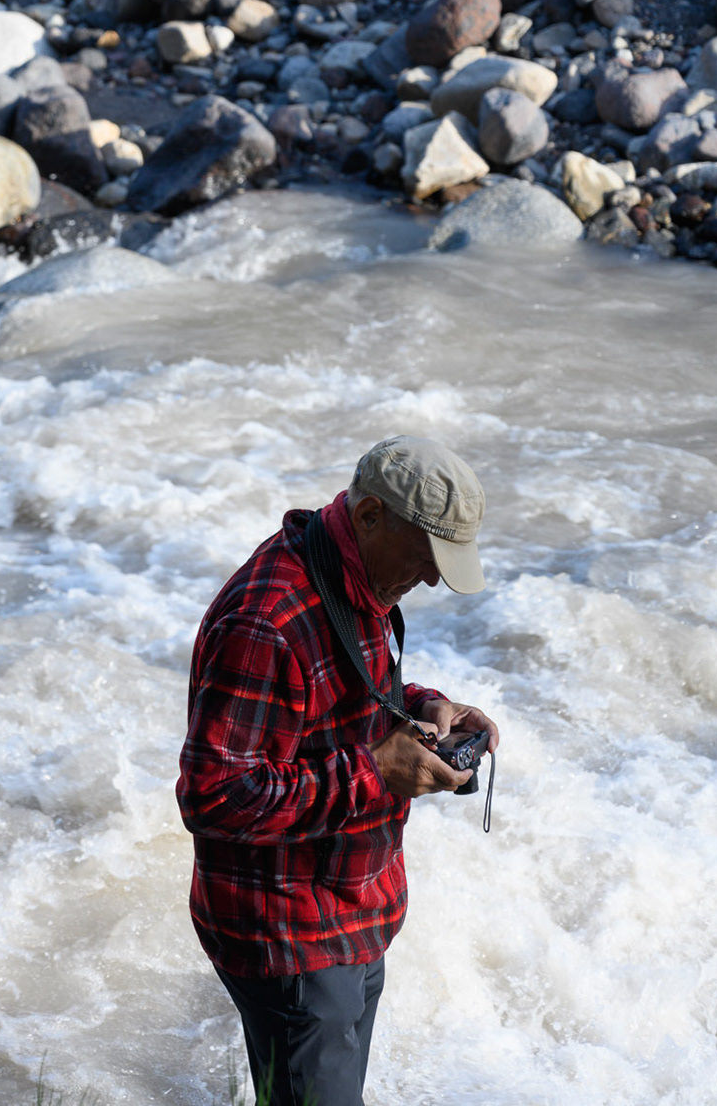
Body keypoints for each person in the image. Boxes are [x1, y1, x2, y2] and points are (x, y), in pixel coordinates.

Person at [176, 436, 499, 1106]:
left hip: (350, 914)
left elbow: (337, 697)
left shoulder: (352, 575)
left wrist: (428, 707)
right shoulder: (265, 619)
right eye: (429, 555)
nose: (435, 578)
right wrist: (377, 772)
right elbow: (213, 797)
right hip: (292, 935)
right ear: (372, 514)